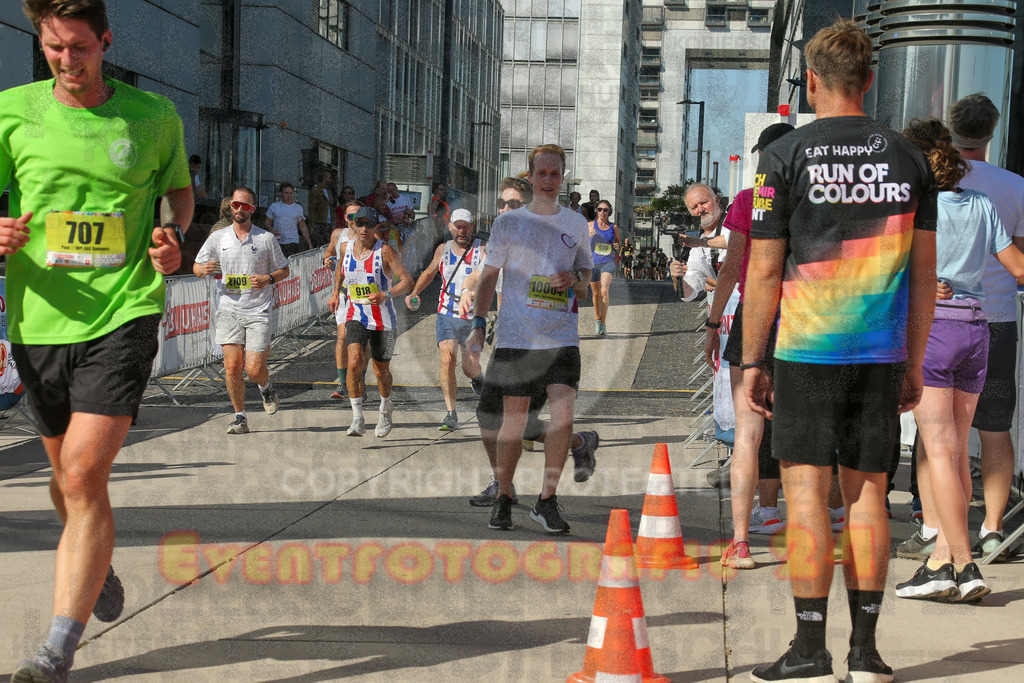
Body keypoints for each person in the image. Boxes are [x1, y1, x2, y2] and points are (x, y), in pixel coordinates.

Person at [1, 1, 194, 679]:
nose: (66, 60)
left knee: (83, 472)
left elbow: (176, 195)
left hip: (124, 308)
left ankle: (55, 648)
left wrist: (170, 238)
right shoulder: (11, 112)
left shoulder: (152, 116)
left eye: (79, 47)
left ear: (105, 41)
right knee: (69, 482)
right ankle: (98, 559)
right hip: (40, 317)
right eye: (53, 48)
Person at [742, 20, 938, 682]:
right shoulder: (910, 159)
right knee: (868, 499)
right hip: (878, 356)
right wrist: (913, 362)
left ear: (814, 83)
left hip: (805, 353)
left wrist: (751, 360)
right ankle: (867, 652)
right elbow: (922, 273)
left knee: (805, 499)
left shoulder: (780, 159)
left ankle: (806, 647)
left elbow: (763, 271)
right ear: (871, 81)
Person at [892, 118, 1024, 603]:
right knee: (955, 452)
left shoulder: (913, 207)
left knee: (941, 452)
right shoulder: (983, 205)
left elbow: (892, 270)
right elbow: (1019, 269)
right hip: (977, 328)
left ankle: (964, 564)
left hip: (933, 330)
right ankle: (939, 562)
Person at [467, 144, 593, 534]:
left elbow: (586, 279)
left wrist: (574, 280)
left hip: (562, 336)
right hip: (516, 337)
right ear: (530, 176)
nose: (549, 181)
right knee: (513, 423)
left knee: (562, 419)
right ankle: (504, 496)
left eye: (556, 174)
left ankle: (547, 501)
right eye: (542, 174)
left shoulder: (575, 223)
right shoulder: (508, 223)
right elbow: (489, 277)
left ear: (563, 176)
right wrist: (477, 322)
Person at [701, 122, 795, 570]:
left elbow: (733, 262)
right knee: (805, 435)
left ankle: (740, 543)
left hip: (755, 319)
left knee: (747, 432)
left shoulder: (748, 199)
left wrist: (713, 320)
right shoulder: (815, 193)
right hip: (807, 321)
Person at [947, 93, 1024, 562]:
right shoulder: (1015, 185)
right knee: (995, 428)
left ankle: (936, 523)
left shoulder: (936, 181)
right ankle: (992, 528)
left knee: (941, 429)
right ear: (993, 131)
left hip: (945, 318)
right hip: (998, 318)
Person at [194, 187, 289, 435]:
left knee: (254, 369)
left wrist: (268, 278)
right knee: (233, 367)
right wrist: (203, 270)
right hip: (228, 308)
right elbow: (196, 266)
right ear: (231, 207)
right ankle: (240, 417)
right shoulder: (218, 237)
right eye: (236, 205)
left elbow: (284, 269)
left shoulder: (265, 239)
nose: (239, 209)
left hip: (258, 309)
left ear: (252, 209)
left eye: (245, 206)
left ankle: (266, 387)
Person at [327, 206, 412, 438]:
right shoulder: (345, 248)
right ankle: (357, 417)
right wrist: (335, 293)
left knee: (380, 369)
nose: (363, 228)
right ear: (353, 224)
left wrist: (386, 295)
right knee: (354, 361)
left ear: (376, 226)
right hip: (355, 312)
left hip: (383, 317)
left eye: (369, 224)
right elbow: (340, 271)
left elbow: (407, 281)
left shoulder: (385, 252)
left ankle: (385, 407)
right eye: (359, 223)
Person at [405, 208, 485, 431]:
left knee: (470, 367)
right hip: (446, 312)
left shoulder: (482, 250)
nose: (462, 230)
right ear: (450, 227)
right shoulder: (443, 250)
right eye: (458, 226)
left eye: (466, 226)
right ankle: (451, 413)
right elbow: (430, 273)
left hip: (473, 315)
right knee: (447, 359)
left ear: (472, 228)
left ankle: (478, 377)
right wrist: (414, 293)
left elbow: (491, 279)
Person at [324, 199, 362, 400]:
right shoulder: (339, 234)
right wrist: (326, 258)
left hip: (364, 294)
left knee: (360, 340)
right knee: (342, 336)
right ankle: (342, 383)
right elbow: (330, 252)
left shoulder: (371, 235)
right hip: (344, 292)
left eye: (357, 215)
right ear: (345, 218)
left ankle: (359, 380)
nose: (353, 220)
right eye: (350, 216)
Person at [669, 183, 727, 302]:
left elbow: (737, 241)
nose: (700, 210)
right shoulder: (696, 248)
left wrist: (701, 242)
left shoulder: (734, 223)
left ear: (716, 200)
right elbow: (688, 294)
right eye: (694, 207)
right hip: (725, 316)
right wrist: (677, 279)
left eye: (704, 203)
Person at [588, 199, 621, 335]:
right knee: (596, 294)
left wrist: (618, 246)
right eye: (600, 209)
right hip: (593, 262)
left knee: (604, 291)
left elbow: (619, 242)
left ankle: (603, 322)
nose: (602, 212)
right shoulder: (590, 225)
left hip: (608, 260)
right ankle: (597, 319)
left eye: (605, 210)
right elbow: (579, 243)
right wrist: (587, 237)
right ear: (596, 210)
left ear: (609, 212)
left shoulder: (613, 227)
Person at [265, 181, 313, 256]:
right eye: (286, 193)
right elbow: (267, 223)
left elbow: (303, 226)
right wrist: (271, 229)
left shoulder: (297, 208)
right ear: (281, 194)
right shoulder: (274, 206)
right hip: (278, 241)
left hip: (292, 241)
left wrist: (309, 243)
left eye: (291, 193)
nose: (289, 195)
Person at [308, 169, 337, 247]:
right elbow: (312, 209)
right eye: (329, 178)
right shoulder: (316, 191)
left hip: (328, 223)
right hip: (319, 222)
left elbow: (332, 208)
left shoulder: (329, 192)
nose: (331, 180)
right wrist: (311, 225)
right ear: (324, 179)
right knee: (319, 244)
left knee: (327, 244)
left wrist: (333, 223)